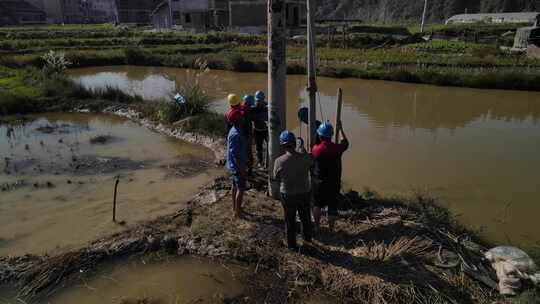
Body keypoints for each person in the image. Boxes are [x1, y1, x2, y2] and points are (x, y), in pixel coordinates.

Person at [273, 130, 314, 251]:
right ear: (294, 144)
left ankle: (292, 245)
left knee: (289, 220)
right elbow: (311, 164)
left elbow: (276, 178)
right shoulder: (305, 157)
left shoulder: (279, 161)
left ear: (282, 145)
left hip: (288, 194)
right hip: (304, 193)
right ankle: (307, 239)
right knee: (305, 217)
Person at [312, 121, 349, 233]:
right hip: (334, 183)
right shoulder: (337, 149)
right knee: (332, 207)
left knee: (317, 205)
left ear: (320, 135)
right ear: (331, 135)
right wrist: (341, 129)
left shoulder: (315, 149)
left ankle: (317, 227)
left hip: (319, 183)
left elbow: (316, 144)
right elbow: (346, 143)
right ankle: (331, 230)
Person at [226, 108, 248, 219]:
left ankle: (235, 208)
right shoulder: (235, 134)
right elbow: (235, 154)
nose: (243, 118)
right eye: (241, 117)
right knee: (240, 188)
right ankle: (238, 213)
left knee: (234, 186)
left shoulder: (235, 130)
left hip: (234, 166)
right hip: (237, 166)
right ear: (237, 120)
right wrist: (242, 170)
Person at [252, 91, 268, 168]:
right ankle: (260, 161)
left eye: (260, 100)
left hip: (266, 130)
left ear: (263, 99)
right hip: (257, 130)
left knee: (270, 146)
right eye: (257, 100)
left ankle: (268, 162)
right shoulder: (253, 108)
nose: (258, 102)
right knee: (259, 148)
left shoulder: (267, 107)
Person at [242, 95, 256, 174]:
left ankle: (246, 168)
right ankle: (249, 169)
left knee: (244, 152)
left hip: (243, 134)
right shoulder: (246, 112)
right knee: (248, 153)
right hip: (246, 135)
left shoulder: (241, 108)